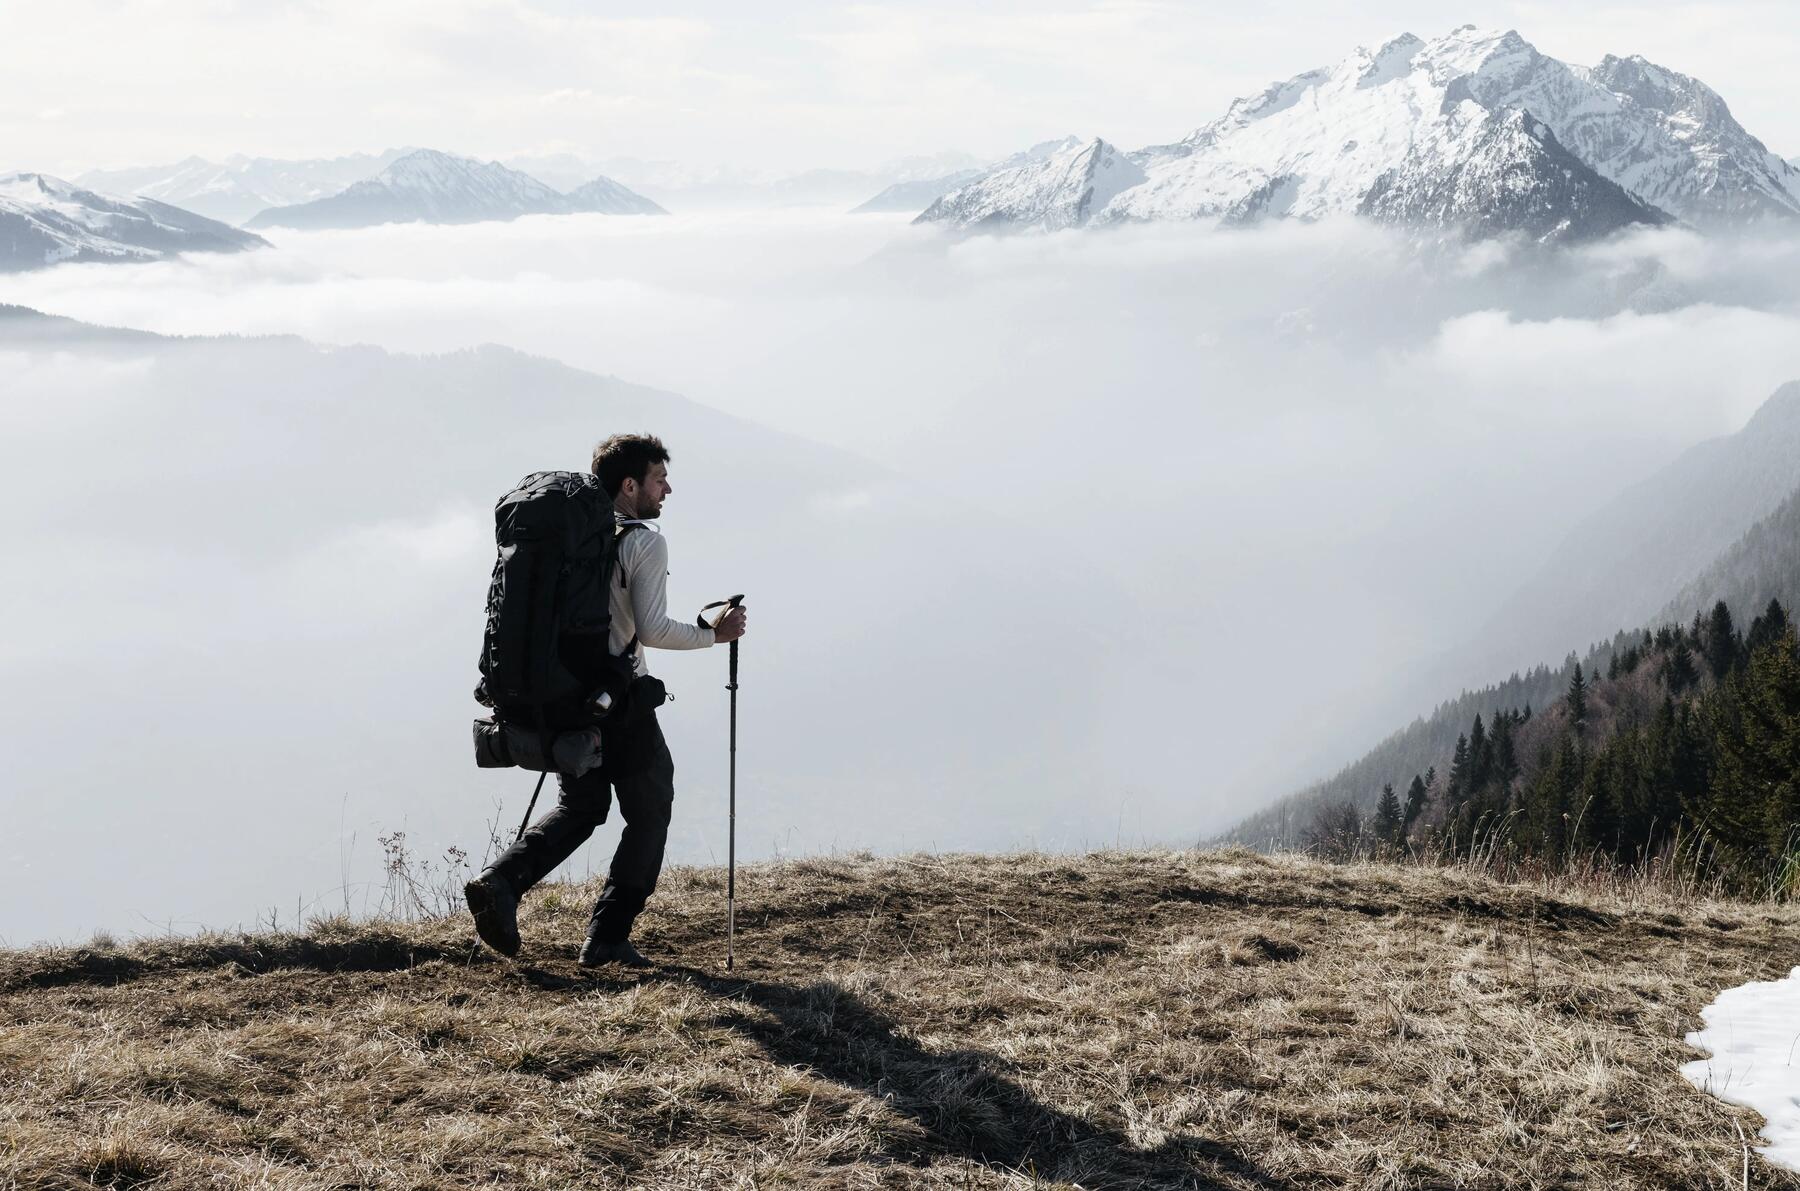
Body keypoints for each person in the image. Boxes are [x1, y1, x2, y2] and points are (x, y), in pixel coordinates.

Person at [463, 433, 748, 967]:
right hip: (619, 699)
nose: (668, 489)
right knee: (650, 811)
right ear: (629, 484)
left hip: (570, 693)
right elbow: (655, 629)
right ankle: (608, 935)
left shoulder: (575, 538)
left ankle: (500, 882)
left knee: (585, 804)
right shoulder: (643, 541)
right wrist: (716, 634)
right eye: (659, 479)